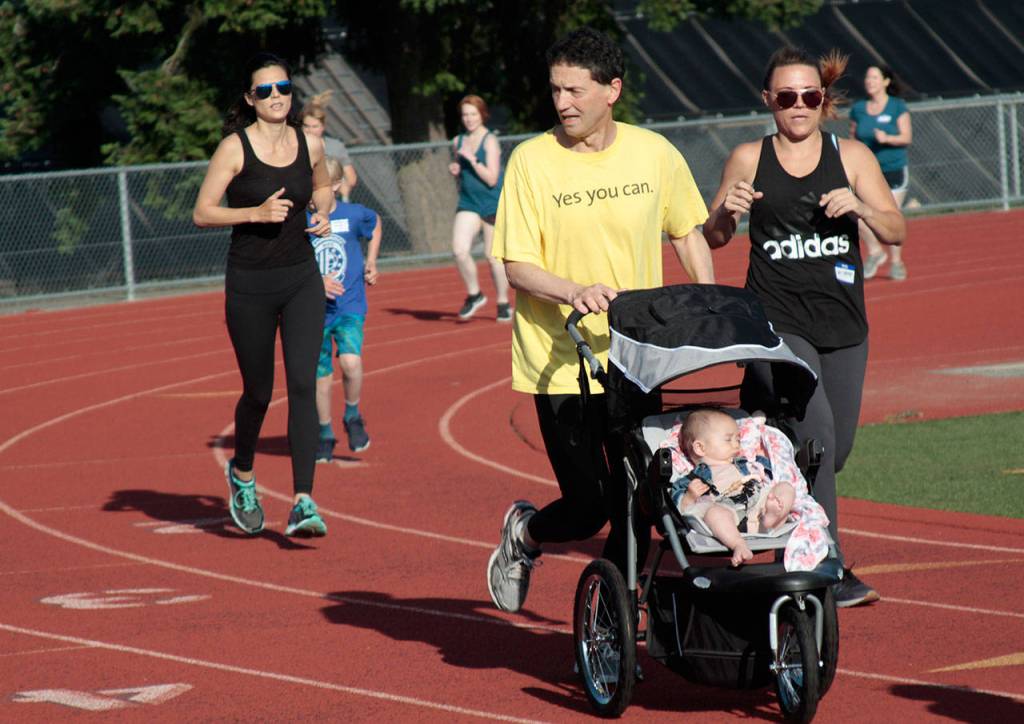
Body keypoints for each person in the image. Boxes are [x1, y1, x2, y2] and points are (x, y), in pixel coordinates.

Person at [485, 27, 714, 614]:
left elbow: (686, 230)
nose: (562, 102)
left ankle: (610, 618)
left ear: (611, 89)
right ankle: (525, 535)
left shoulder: (654, 152)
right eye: (556, 89)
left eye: (575, 90)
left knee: (641, 497)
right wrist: (573, 291)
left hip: (638, 354)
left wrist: (710, 304)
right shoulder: (532, 161)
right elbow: (516, 266)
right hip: (561, 360)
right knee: (589, 505)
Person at [703, 46, 906, 606]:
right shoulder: (748, 157)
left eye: (809, 96)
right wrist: (727, 213)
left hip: (843, 322)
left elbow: (896, 230)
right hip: (776, 320)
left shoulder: (853, 156)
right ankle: (827, 565)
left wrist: (863, 209)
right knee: (816, 433)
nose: (799, 106)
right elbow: (713, 235)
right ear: (768, 99)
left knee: (832, 453)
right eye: (787, 96)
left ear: (824, 100)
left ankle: (768, 484)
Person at [193, 52, 342, 538]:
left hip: (301, 277)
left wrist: (321, 212)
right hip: (251, 284)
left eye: (283, 88)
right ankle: (242, 474)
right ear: (250, 99)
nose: (276, 97)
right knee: (259, 392)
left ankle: (303, 500)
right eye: (265, 91)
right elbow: (203, 213)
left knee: (303, 383)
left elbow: (323, 188)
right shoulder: (234, 149)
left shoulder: (310, 142)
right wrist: (254, 213)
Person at [309, 156, 381, 460]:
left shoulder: (353, 215)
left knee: (351, 363)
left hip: (349, 304)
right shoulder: (301, 221)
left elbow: (375, 224)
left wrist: (371, 261)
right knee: (320, 375)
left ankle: (352, 415)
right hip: (313, 310)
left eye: (319, 186)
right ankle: (324, 432)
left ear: (335, 186)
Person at [672, 409, 796, 567]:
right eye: (728, 439)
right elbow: (679, 511)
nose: (737, 444)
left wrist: (762, 459)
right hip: (727, 509)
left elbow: (769, 475)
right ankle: (738, 544)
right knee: (714, 513)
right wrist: (689, 497)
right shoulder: (692, 478)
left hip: (756, 500)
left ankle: (773, 518)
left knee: (785, 487)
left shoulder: (744, 463)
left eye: (738, 439)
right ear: (700, 448)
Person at [447, 94, 511, 321]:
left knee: (492, 257)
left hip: (492, 202)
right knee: (459, 249)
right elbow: (462, 173)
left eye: (473, 114)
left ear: (482, 114)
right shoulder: (457, 141)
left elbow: (492, 178)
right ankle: (474, 294)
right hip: (468, 202)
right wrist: (456, 168)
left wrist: (472, 160)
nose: (469, 119)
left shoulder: (490, 140)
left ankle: (503, 301)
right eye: (465, 114)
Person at [850, 64, 911, 280]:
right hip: (867, 172)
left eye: (874, 77)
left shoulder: (896, 107)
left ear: (885, 81)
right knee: (853, 211)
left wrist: (888, 139)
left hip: (893, 169)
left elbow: (906, 137)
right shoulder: (858, 109)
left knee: (891, 216)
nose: (869, 81)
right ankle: (875, 250)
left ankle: (896, 262)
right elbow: (853, 137)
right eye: (867, 77)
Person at [301, 90, 358, 200]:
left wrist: (340, 185)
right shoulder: (294, 147)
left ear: (323, 126)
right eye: (306, 126)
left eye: (314, 126)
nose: (310, 131)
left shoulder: (335, 147)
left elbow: (351, 179)